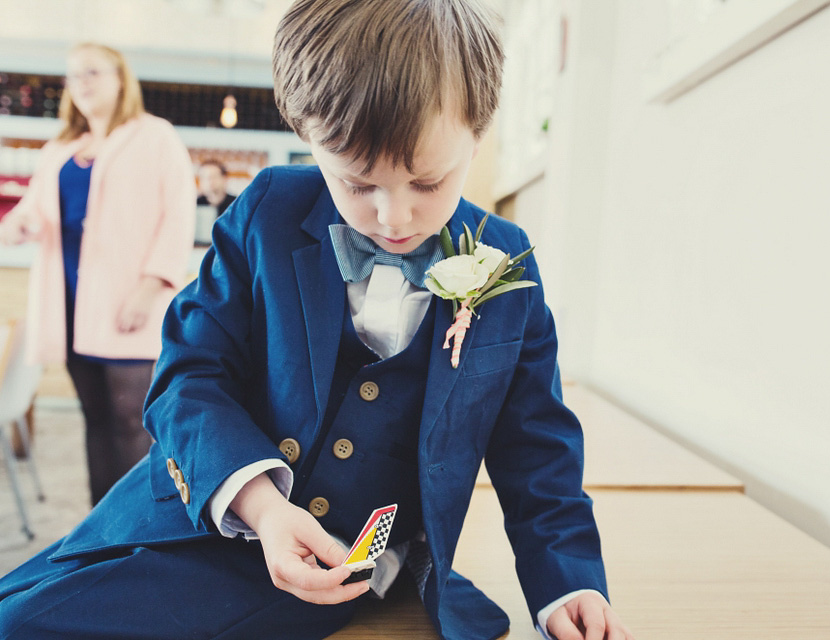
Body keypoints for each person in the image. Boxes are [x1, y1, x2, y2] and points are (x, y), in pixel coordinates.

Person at [0, 3, 634, 640]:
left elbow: (537, 448)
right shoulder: (268, 211)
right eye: (358, 185)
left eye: (428, 181)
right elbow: (188, 376)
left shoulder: (505, 263)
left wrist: (566, 584)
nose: (394, 217)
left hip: (331, 569)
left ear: (479, 131)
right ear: (307, 134)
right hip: (194, 507)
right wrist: (264, 508)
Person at [0, 42, 195, 506]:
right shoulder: (62, 148)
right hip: (69, 304)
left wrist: (149, 290)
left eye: (92, 72)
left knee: (132, 421)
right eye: (73, 75)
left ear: (120, 79)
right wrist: (20, 222)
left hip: (129, 301)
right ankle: (98, 525)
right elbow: (28, 213)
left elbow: (178, 216)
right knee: (93, 418)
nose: (80, 83)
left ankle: (133, 532)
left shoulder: (155, 136)